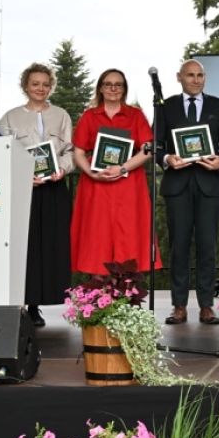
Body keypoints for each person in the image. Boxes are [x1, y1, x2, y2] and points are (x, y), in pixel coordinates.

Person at [154, 59, 219, 325]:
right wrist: (167, 159)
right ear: (179, 77)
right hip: (177, 185)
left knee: (207, 247)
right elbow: (156, 144)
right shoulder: (165, 107)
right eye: (190, 75)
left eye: (200, 75)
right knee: (178, 247)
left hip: (208, 184)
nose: (196, 80)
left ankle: (206, 306)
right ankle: (179, 306)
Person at [0, 63, 75, 326]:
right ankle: (22, 304)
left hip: (54, 188)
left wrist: (62, 169)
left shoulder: (62, 115)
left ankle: (36, 306)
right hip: (23, 190)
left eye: (45, 84)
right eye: (35, 84)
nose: (40, 88)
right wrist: (21, 175)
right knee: (25, 246)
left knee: (51, 246)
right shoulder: (10, 118)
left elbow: (69, 151)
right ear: (25, 86)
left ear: (50, 86)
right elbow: (3, 152)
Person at [71, 69, 161, 280]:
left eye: (118, 84)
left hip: (128, 184)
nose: (113, 88)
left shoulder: (135, 115)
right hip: (97, 183)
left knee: (128, 234)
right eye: (108, 84)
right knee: (97, 235)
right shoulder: (89, 116)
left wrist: (123, 168)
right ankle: (98, 292)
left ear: (124, 89)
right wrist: (91, 173)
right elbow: (78, 152)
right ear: (101, 88)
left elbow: (148, 148)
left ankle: (126, 291)